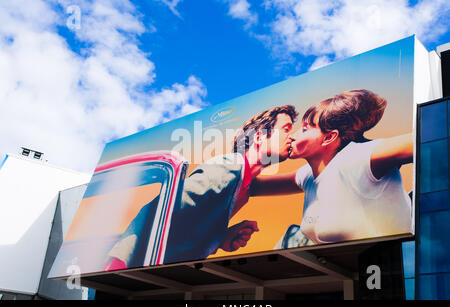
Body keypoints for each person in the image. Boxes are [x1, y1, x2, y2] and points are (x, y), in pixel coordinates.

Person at [103, 105, 299, 270]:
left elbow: (298, 181)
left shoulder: (245, 183)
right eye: (287, 129)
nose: (292, 136)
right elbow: (160, 209)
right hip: (134, 267)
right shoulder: (229, 167)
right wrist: (119, 263)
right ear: (259, 137)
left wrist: (221, 239)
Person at [250, 89, 413, 248]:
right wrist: (263, 152)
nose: (293, 135)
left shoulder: (359, 157)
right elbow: (251, 186)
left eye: (305, 128)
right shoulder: (306, 175)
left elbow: (423, 138)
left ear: (329, 137)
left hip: (396, 266)